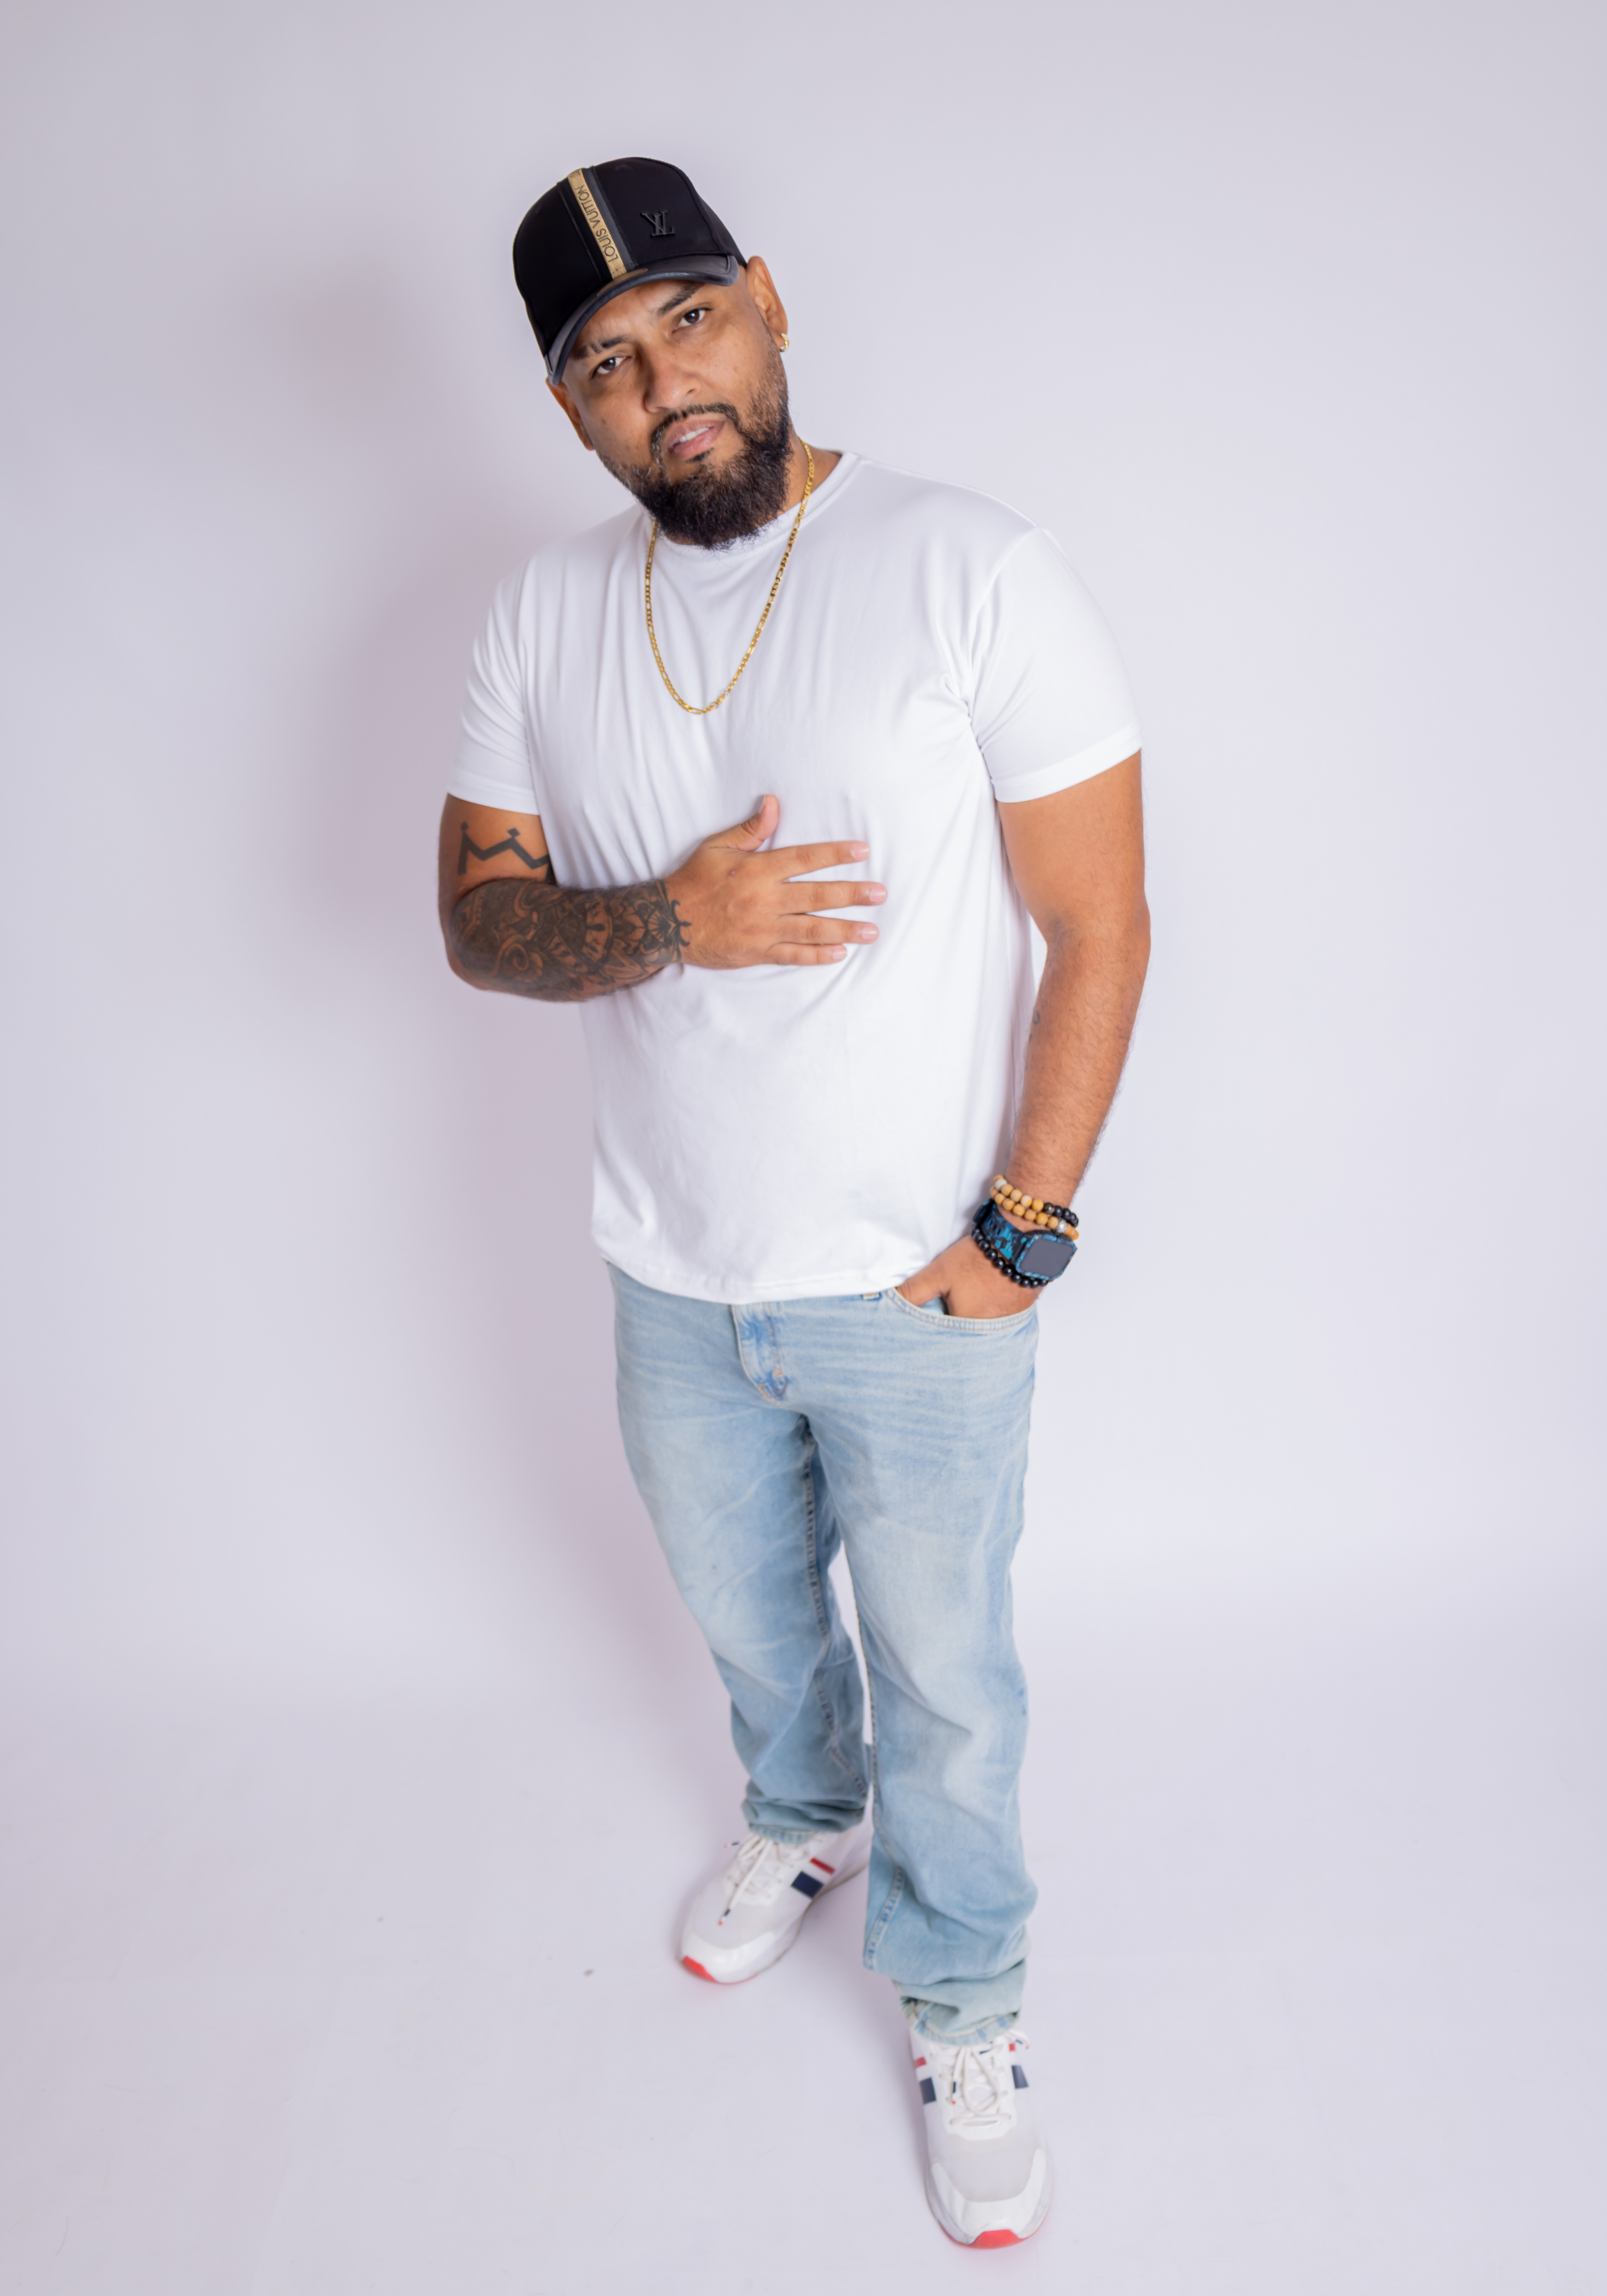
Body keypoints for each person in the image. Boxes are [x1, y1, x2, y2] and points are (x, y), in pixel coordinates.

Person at [437, 156, 1150, 2249]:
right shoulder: (541, 612)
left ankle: (967, 2002)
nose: (664, 380)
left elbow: (1099, 924)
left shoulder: (967, 565)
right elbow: (476, 923)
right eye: (604, 360)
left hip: (920, 1283)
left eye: (688, 318)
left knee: (949, 1674)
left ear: (762, 297)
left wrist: (1025, 1230)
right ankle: (802, 1815)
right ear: (568, 407)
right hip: (671, 1273)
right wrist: (678, 914)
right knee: (754, 1625)